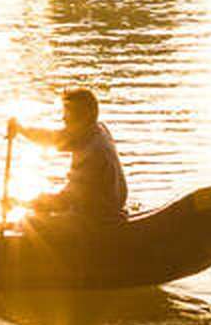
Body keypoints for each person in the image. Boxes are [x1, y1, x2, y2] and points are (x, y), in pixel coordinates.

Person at [9, 87, 128, 225]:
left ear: (83, 117)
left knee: (29, 222)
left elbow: (64, 200)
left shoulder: (93, 153)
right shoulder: (96, 129)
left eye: (68, 113)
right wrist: (21, 129)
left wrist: (22, 203)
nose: (63, 118)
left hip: (97, 218)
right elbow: (53, 138)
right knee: (39, 212)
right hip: (107, 206)